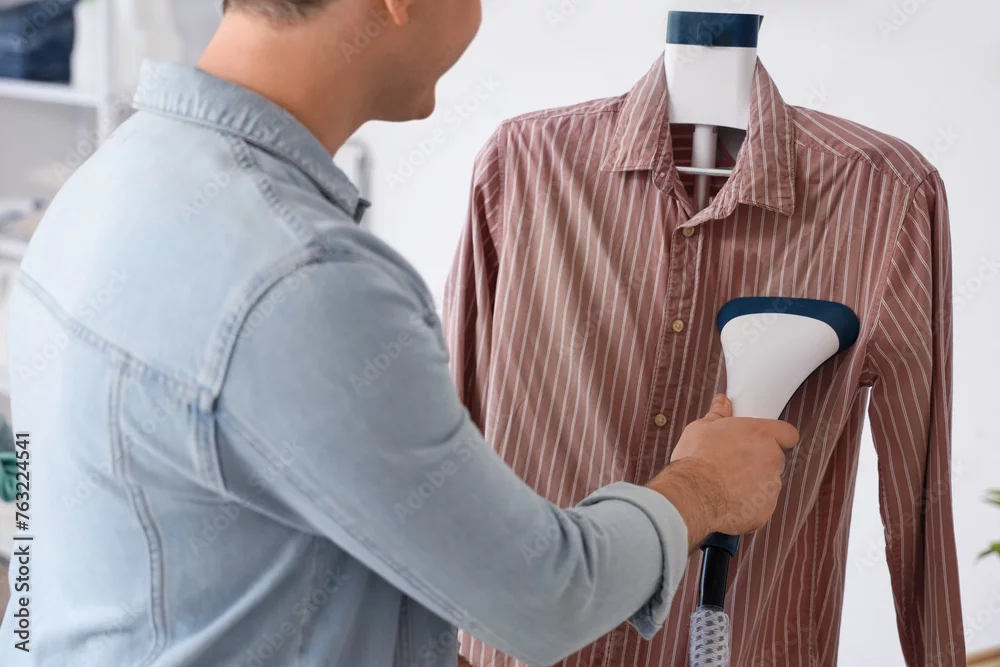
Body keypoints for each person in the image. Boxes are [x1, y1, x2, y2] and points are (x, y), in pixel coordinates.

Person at [0, 0, 800, 665]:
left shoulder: (104, 183)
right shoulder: (302, 278)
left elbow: (80, 560)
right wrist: (700, 488)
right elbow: (543, 595)